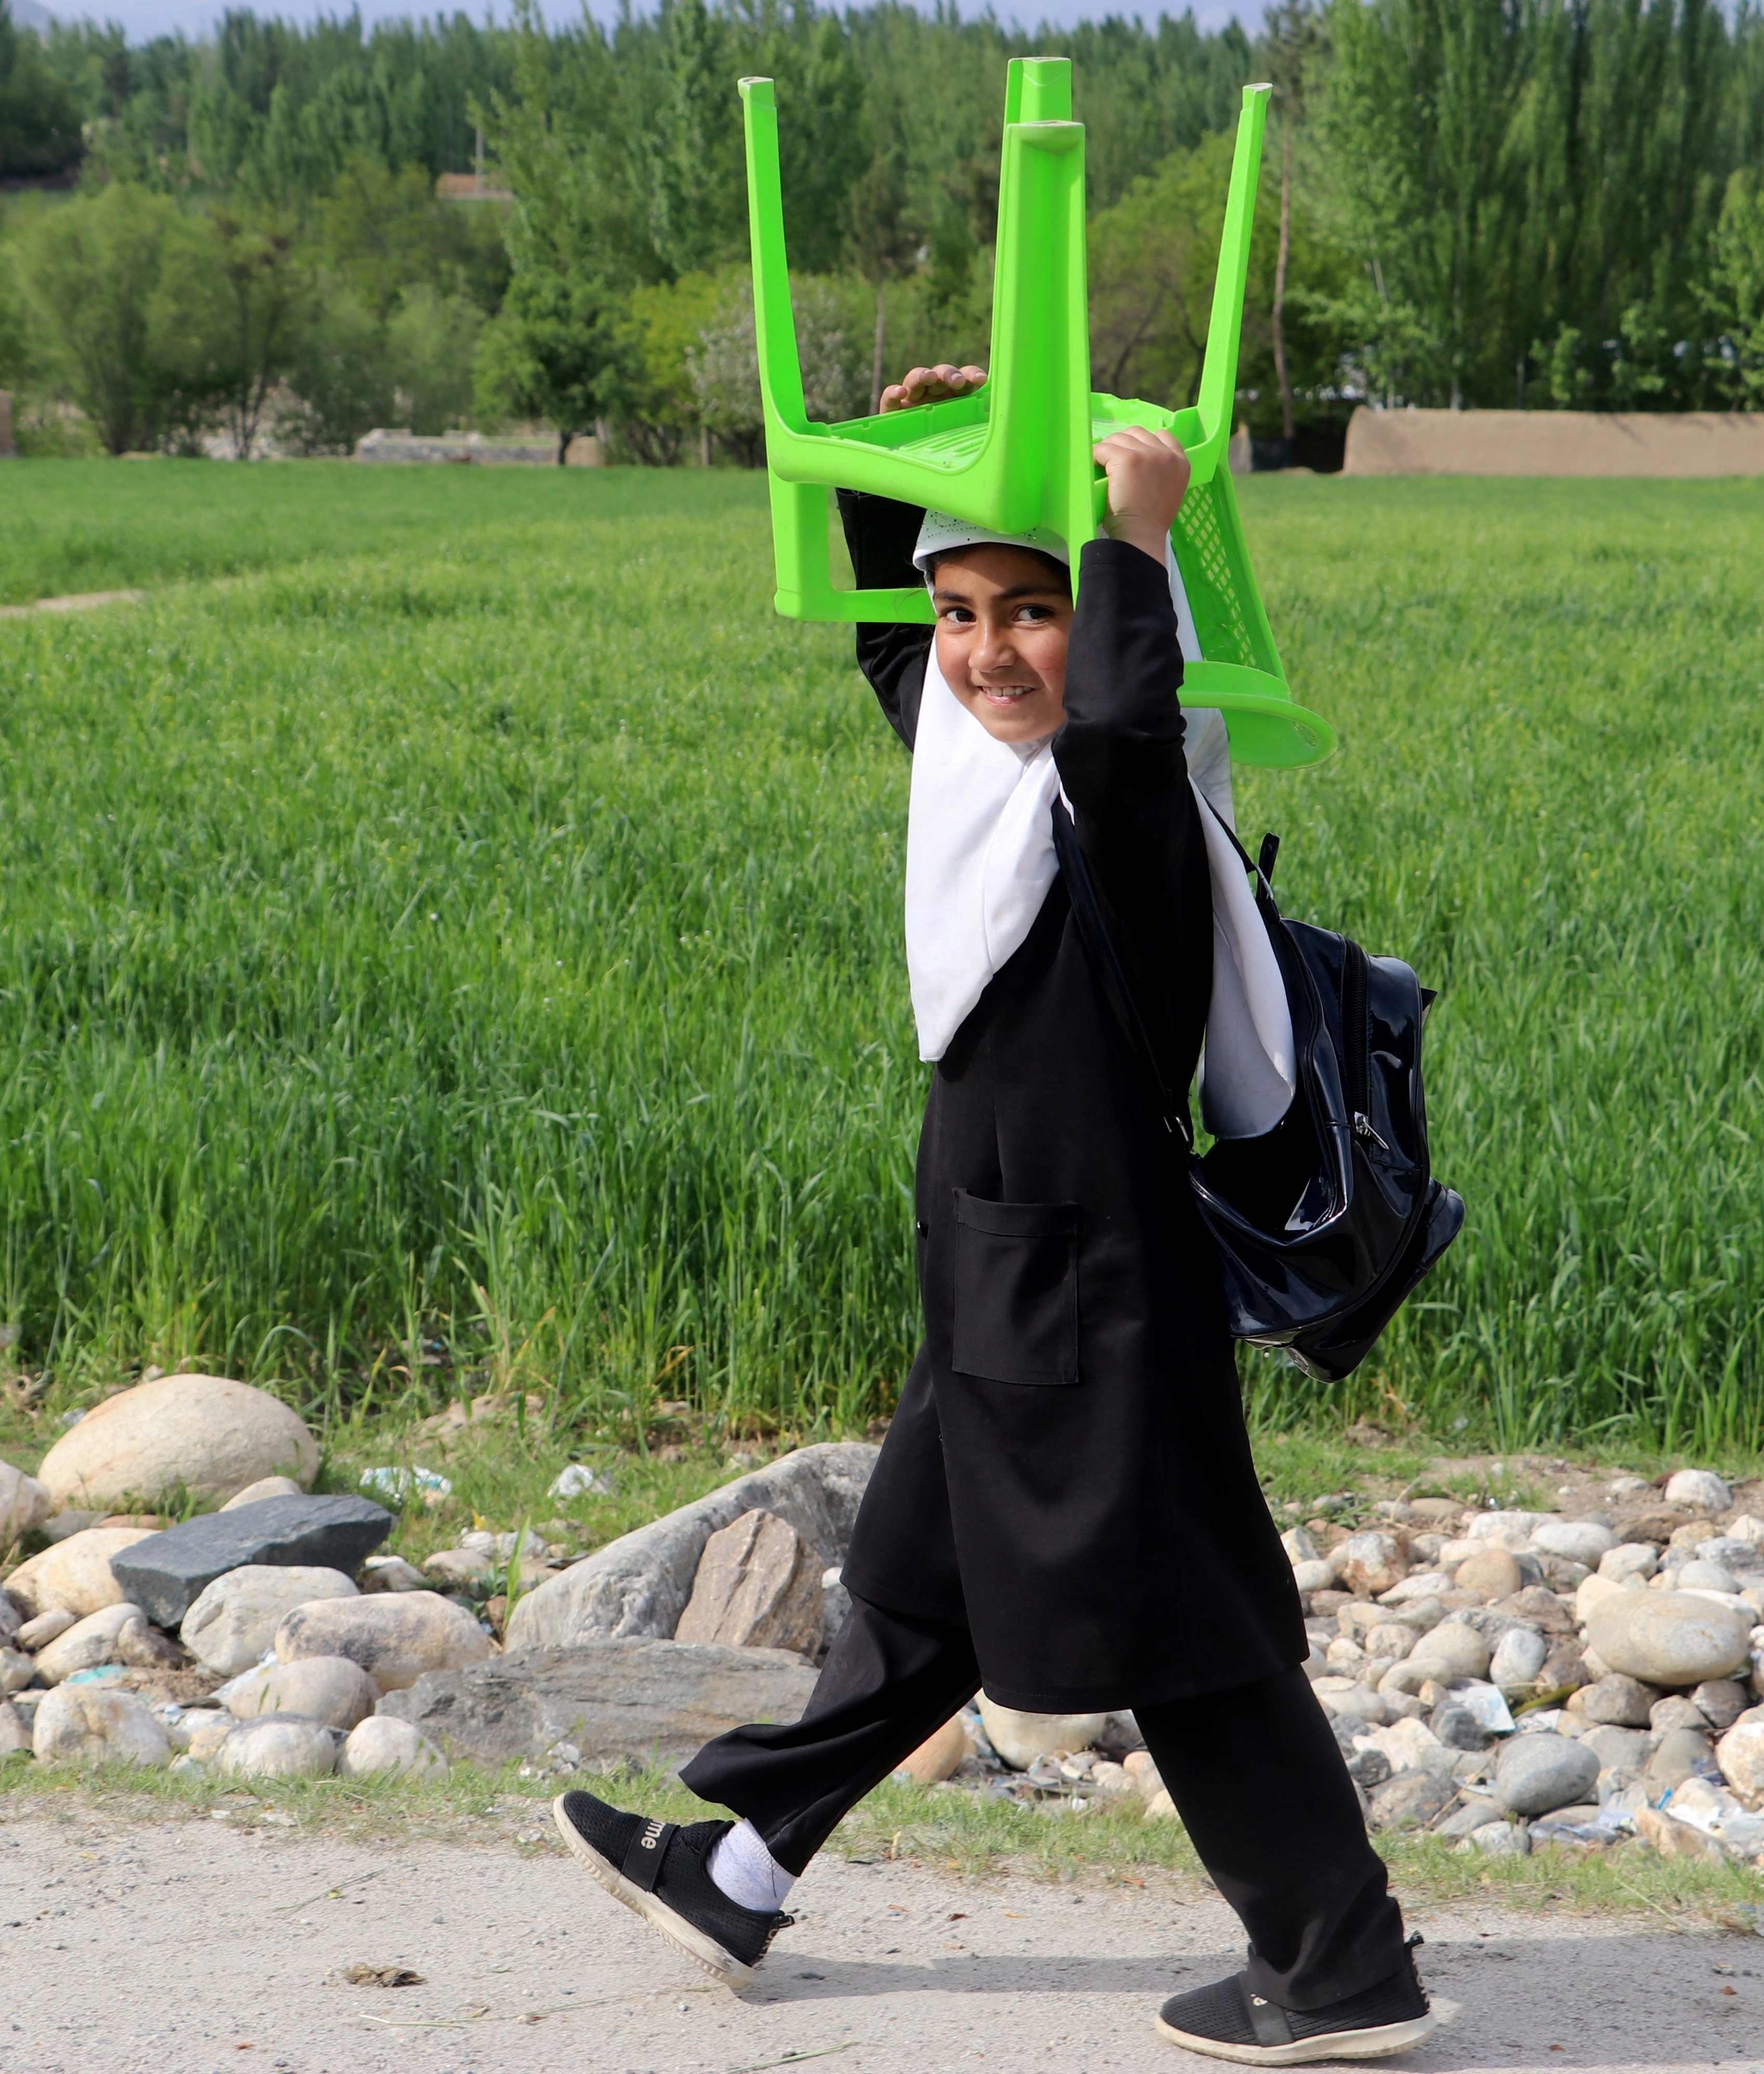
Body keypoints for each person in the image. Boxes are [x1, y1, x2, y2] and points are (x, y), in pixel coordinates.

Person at [552, 365, 1440, 2065]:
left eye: (1027, 613)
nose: (980, 652)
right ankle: (738, 1863)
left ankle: (1338, 1961)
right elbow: (892, 644)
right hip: (997, 1263)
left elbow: (1109, 717)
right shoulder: (972, 774)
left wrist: (1131, 535)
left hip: (1089, 1283)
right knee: (915, 1573)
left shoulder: (1127, 815)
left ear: (1112, 623)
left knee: (1176, 1619)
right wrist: (898, 460)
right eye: (964, 611)